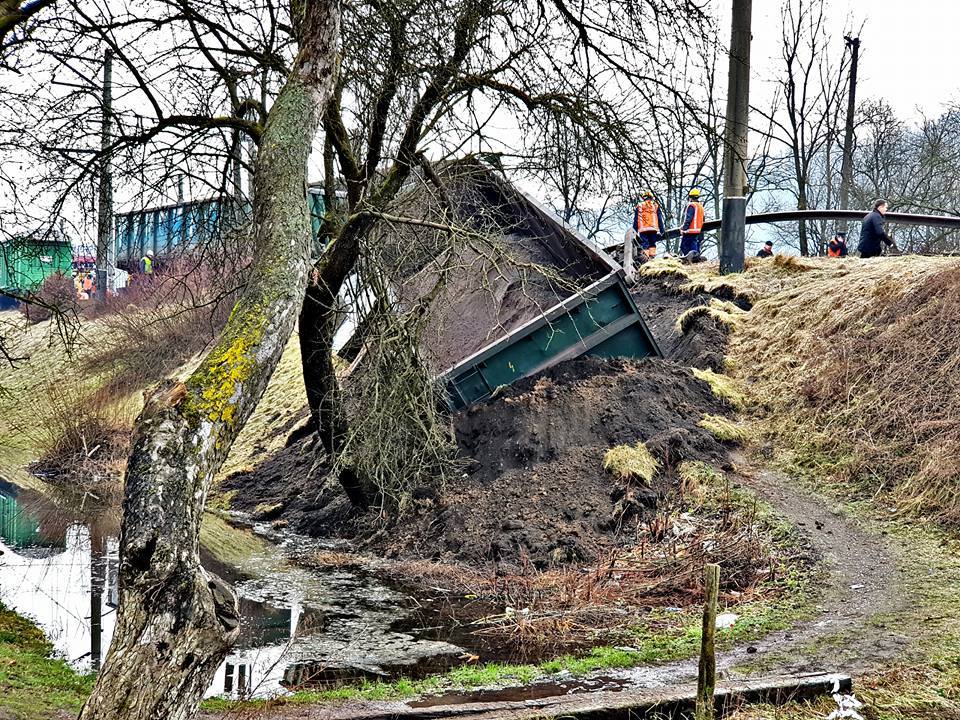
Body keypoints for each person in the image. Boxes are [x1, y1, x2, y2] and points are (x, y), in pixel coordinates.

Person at [633, 190, 666, 260]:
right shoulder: (655, 205)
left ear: (643, 198)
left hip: (643, 230)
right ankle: (652, 259)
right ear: (651, 198)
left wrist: (634, 232)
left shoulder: (639, 206)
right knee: (652, 244)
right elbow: (659, 218)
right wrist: (662, 230)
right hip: (653, 229)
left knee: (645, 244)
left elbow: (636, 220)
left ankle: (645, 259)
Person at [680, 188, 705, 258]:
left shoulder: (691, 205)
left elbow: (688, 219)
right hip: (698, 231)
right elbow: (703, 220)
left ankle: (690, 259)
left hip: (690, 231)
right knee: (694, 246)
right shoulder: (700, 207)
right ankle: (696, 258)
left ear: (690, 197)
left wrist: (683, 229)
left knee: (684, 246)